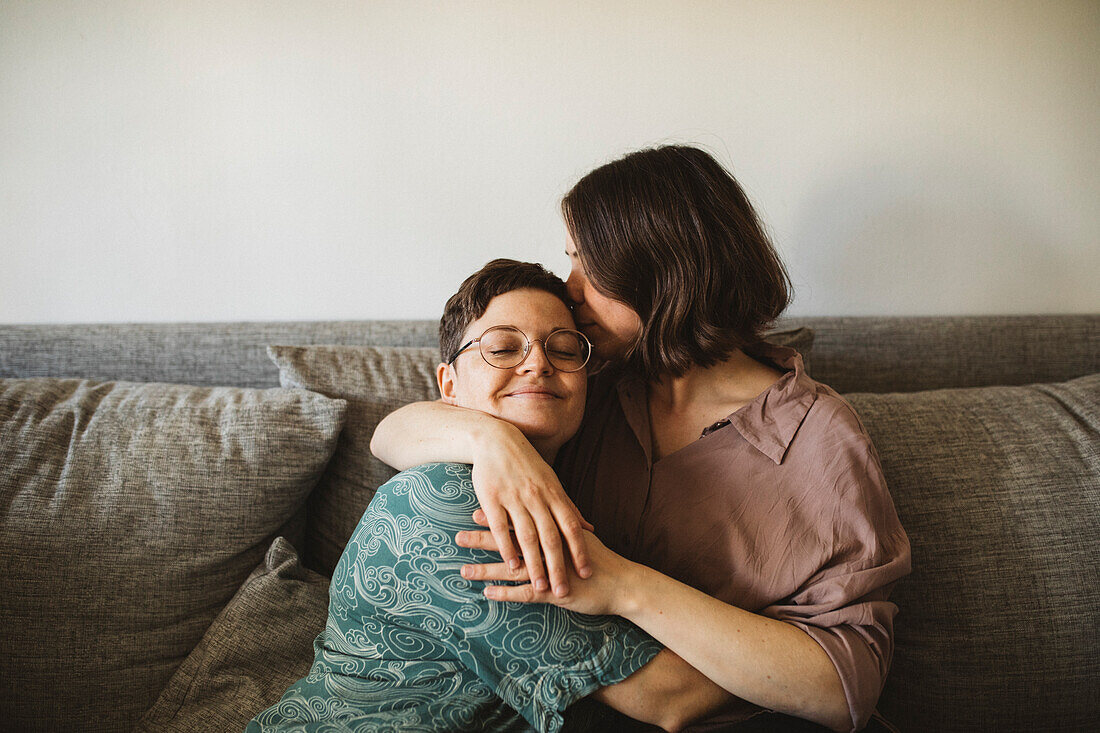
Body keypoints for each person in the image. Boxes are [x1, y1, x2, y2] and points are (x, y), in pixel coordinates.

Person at [371, 145, 912, 732]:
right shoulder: (584, 384)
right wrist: (489, 443)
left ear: (660, 271)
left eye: (587, 265)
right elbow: (391, 435)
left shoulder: (817, 437)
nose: (571, 290)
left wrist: (623, 586)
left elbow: (844, 687)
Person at [248, 259, 733, 733]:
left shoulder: (584, 470)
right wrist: (798, 632)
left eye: (564, 349)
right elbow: (673, 697)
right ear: (449, 386)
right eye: (502, 348)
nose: (538, 363)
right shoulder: (446, 502)